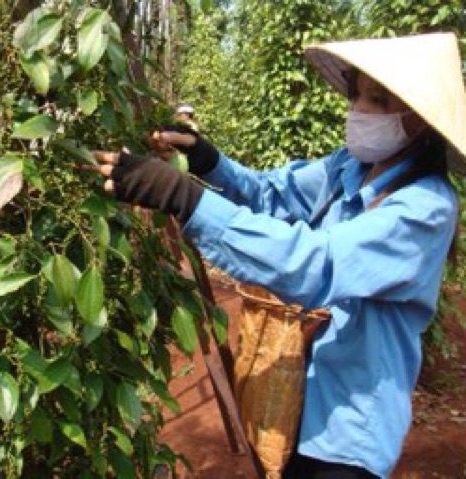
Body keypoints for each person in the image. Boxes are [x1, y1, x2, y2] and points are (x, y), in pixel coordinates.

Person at [87, 32, 465, 478]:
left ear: (418, 120)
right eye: (357, 94)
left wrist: (184, 198)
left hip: (348, 432)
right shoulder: (348, 167)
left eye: (378, 101)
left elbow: (314, 263)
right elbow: (272, 193)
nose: (358, 110)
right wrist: (208, 160)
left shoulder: (425, 207)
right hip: (296, 408)